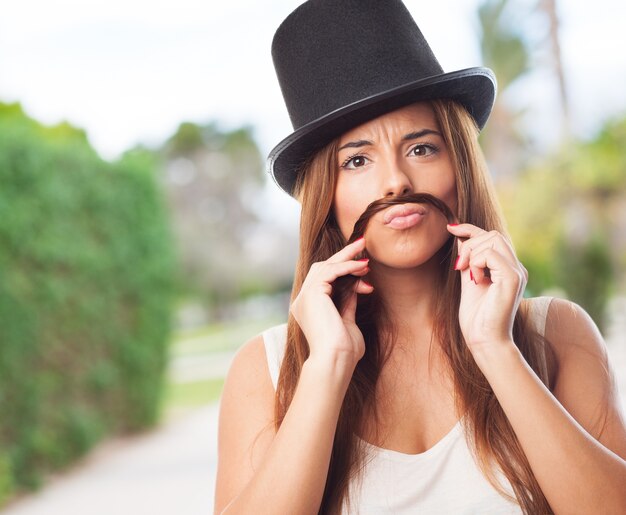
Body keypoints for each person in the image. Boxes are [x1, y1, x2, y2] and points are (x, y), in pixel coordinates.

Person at [214, 0, 626, 513]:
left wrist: (496, 349)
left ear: (460, 164)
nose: (396, 181)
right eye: (358, 160)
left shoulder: (558, 334)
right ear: (326, 196)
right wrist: (328, 367)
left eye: (422, 148)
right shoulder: (266, 370)